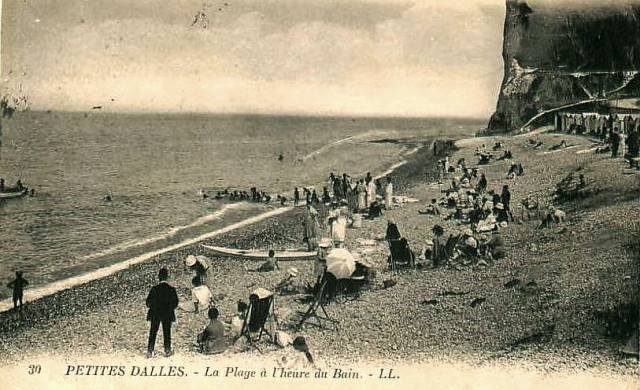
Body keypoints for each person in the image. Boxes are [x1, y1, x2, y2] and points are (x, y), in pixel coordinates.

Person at [146, 267, 179, 358]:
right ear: (167, 277)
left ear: (159, 277)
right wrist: (169, 308)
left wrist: (154, 307)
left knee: (153, 332)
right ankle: (167, 350)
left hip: (155, 313)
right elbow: (175, 303)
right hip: (167, 314)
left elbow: (148, 302)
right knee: (167, 332)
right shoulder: (171, 289)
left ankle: (150, 351)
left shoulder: (154, 289)